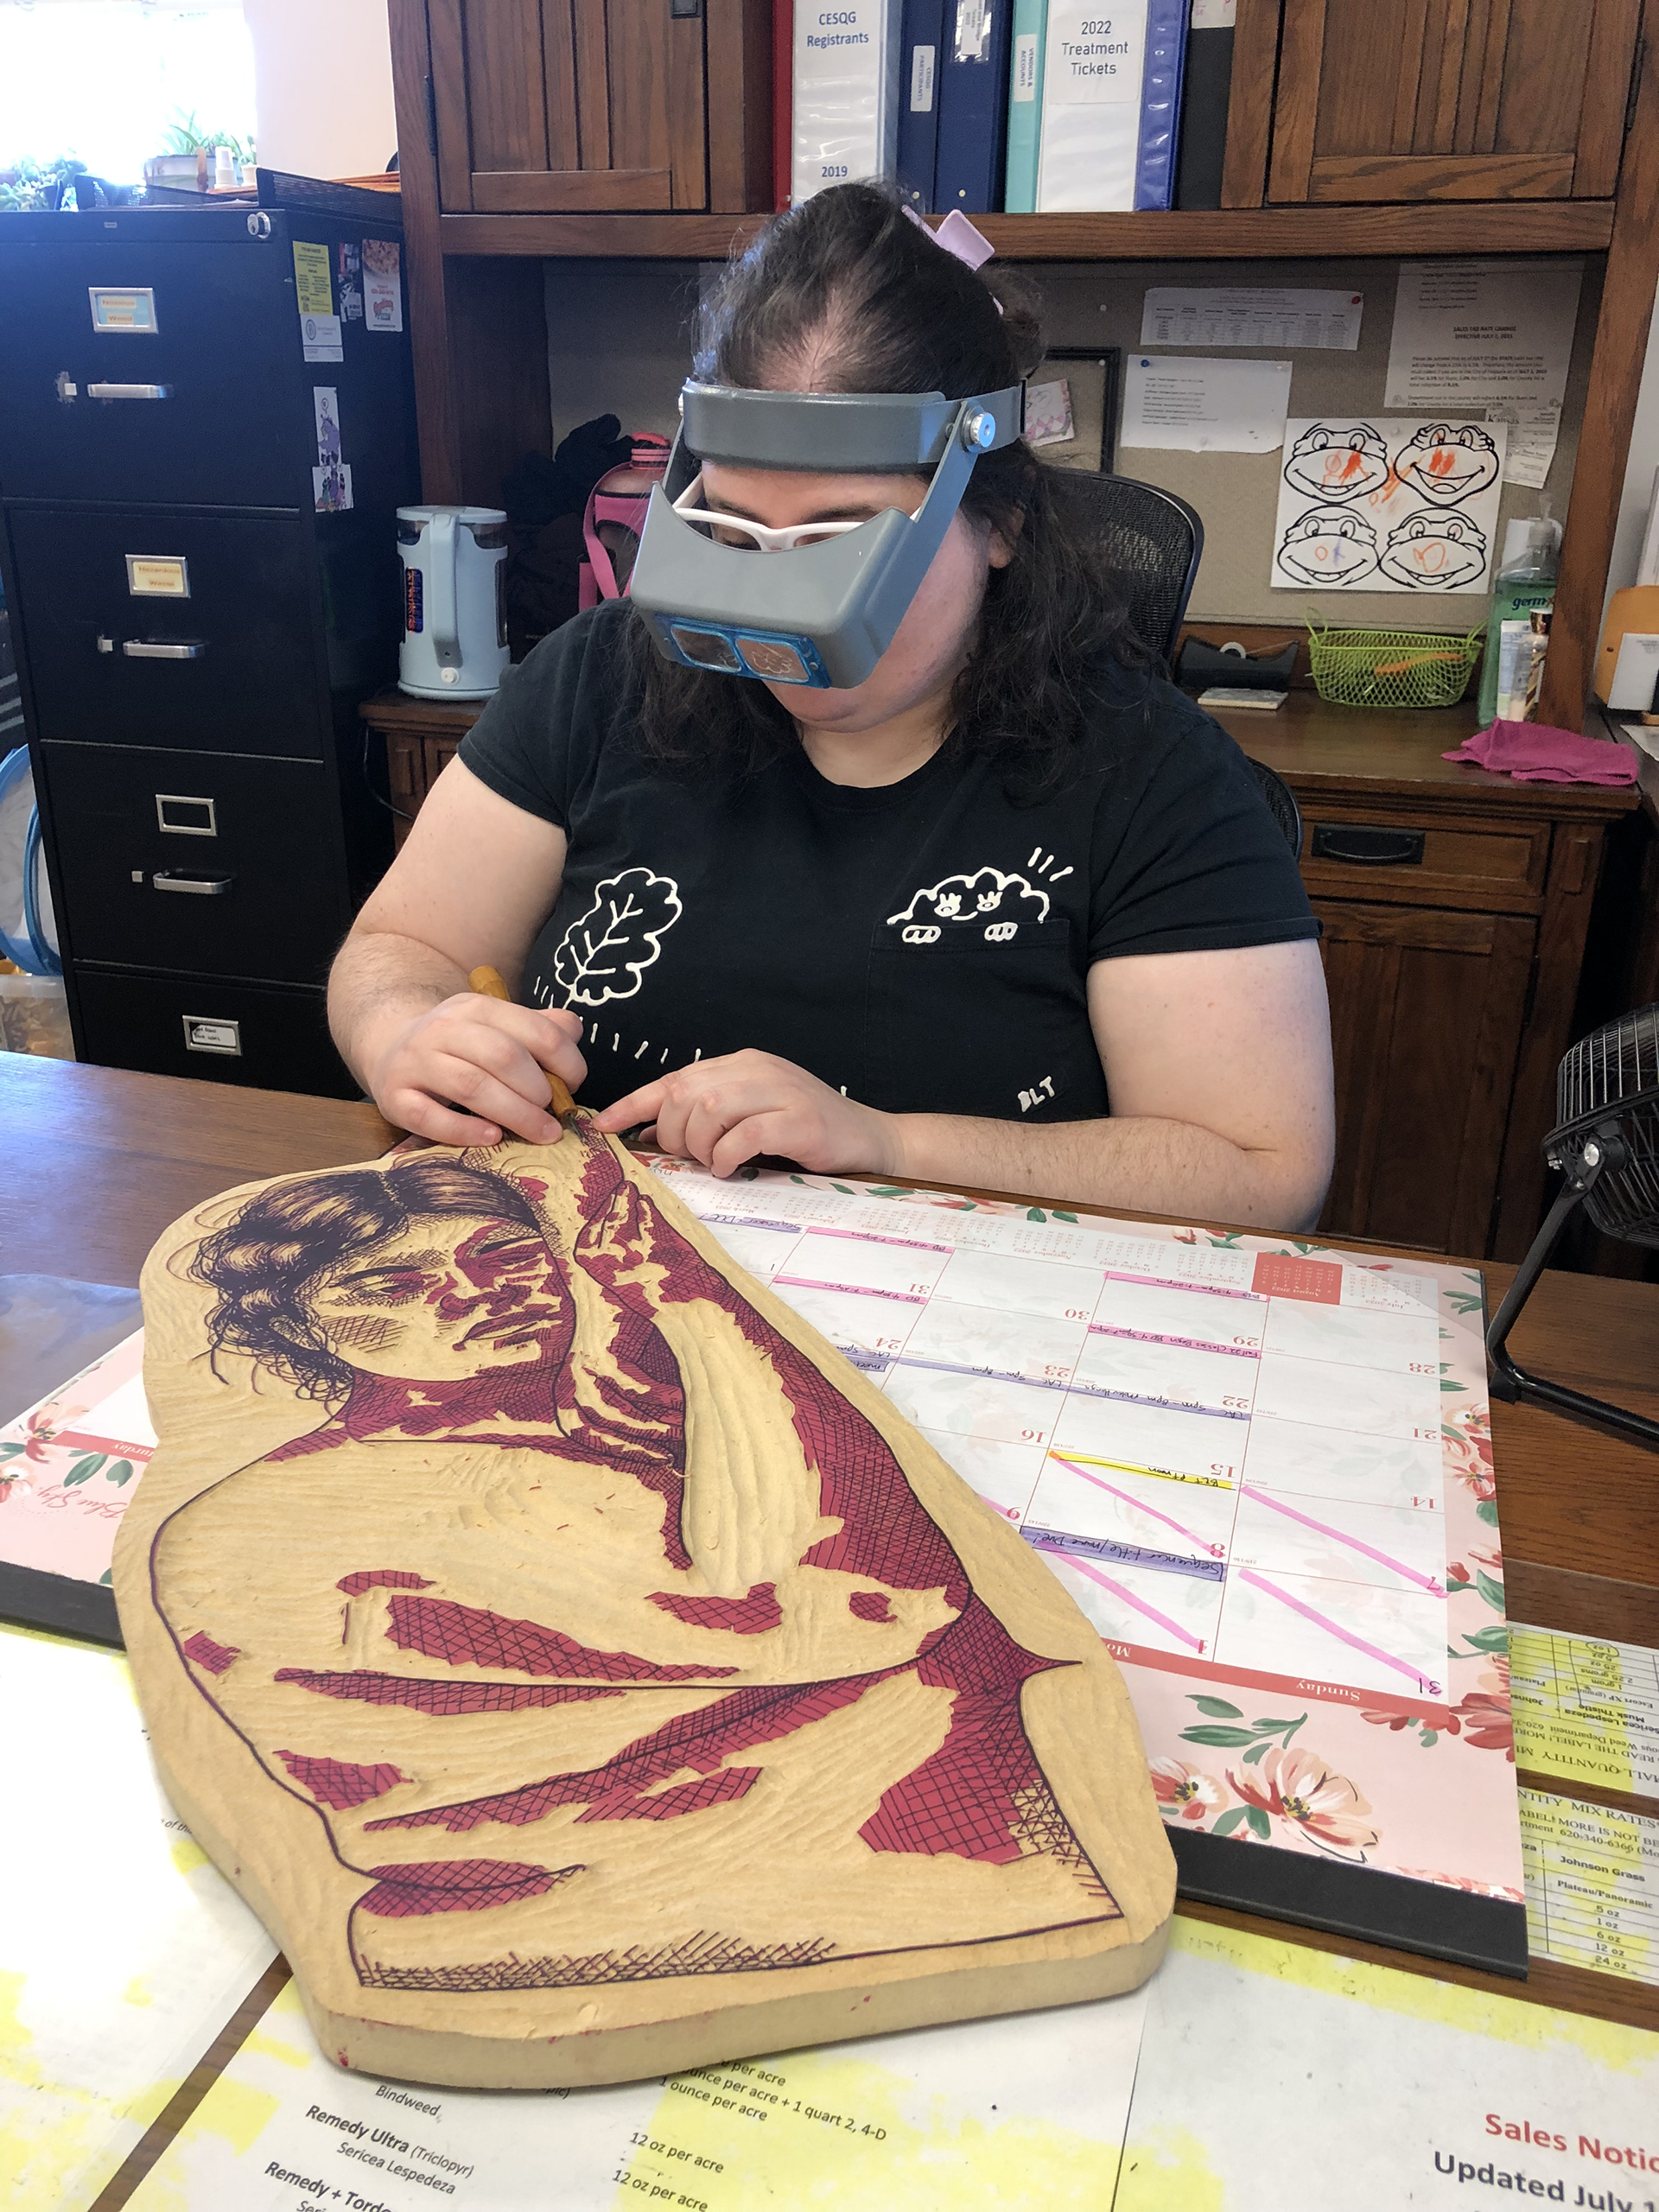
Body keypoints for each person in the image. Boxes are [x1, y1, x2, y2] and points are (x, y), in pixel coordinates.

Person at [329, 183, 1334, 1230]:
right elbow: (400, 946)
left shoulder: (1147, 773)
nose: (780, 610)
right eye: (733, 530)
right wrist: (404, 1031)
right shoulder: (599, 678)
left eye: (842, 538)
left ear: (1000, 523)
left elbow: (1262, 1174)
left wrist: (886, 1143)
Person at [153, 1147, 1122, 1990]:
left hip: (855, 1866)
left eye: (504, 1253)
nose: (472, 1291)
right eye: (386, 1288)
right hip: (756, 1903)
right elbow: (872, 1603)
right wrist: (681, 1297)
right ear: (295, 1329)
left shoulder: (570, 1445)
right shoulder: (365, 1492)